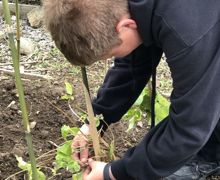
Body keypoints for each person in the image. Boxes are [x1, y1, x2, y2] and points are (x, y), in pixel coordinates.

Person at [43, 0, 220, 179]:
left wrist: (114, 173)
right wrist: (96, 121)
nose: (115, 58)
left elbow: (191, 124)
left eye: (112, 54)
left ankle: (210, 155)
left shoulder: (188, 32)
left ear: (126, 25)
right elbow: (133, 65)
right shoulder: (133, 9)